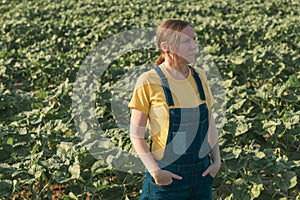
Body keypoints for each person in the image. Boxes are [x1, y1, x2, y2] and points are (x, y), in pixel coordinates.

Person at [128, 19, 221, 200]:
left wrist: (216, 160)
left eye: (194, 40)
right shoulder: (148, 81)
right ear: (166, 46)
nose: (194, 46)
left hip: (202, 174)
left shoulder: (199, 76)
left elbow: (210, 122)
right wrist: (156, 172)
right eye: (186, 42)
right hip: (167, 177)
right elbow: (136, 135)